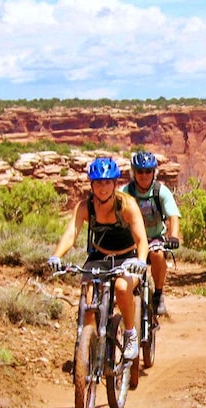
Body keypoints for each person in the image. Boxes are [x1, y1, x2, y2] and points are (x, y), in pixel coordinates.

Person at [48, 156, 149, 360]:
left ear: (114, 184)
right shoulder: (86, 207)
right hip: (99, 256)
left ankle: (130, 333)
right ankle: (90, 347)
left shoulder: (127, 205)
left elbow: (142, 240)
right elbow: (71, 234)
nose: (103, 188)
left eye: (107, 182)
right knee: (88, 303)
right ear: (91, 184)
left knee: (122, 288)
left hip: (127, 258)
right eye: (98, 183)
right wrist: (56, 257)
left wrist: (140, 261)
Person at [121, 150, 181, 316]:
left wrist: (174, 236)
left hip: (155, 238)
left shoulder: (160, 191)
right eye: (140, 171)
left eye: (148, 171)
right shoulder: (126, 192)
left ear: (154, 172)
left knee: (157, 255)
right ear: (134, 173)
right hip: (132, 239)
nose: (144, 175)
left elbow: (173, 216)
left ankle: (159, 294)